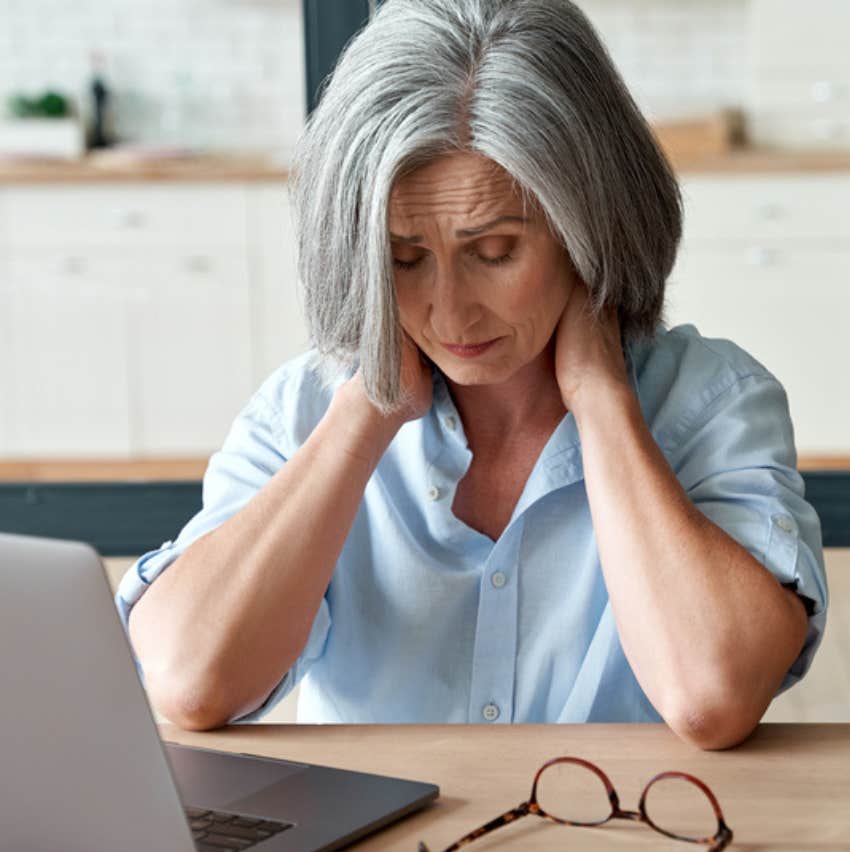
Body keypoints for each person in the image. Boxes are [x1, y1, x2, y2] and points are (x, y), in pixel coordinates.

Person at [117, 0, 827, 748]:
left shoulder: (709, 403)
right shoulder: (301, 414)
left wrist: (602, 401)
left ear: (590, 226)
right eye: (403, 259)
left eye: (495, 253)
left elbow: (712, 697)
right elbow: (192, 683)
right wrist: (366, 413)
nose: (449, 314)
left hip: (625, 849)